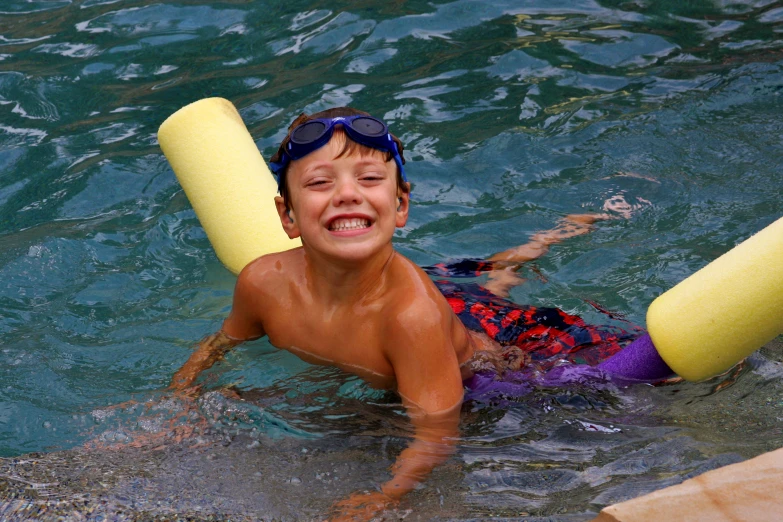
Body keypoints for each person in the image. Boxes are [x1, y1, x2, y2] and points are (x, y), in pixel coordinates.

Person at [169, 107, 638, 520]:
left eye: (369, 179)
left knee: (626, 384)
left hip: (494, 374)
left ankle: (565, 231)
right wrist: (181, 402)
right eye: (319, 182)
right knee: (491, 282)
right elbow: (219, 346)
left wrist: (385, 496)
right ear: (287, 216)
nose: (347, 194)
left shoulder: (410, 318)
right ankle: (527, 253)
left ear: (401, 206)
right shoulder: (262, 283)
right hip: (449, 307)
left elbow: (437, 433)